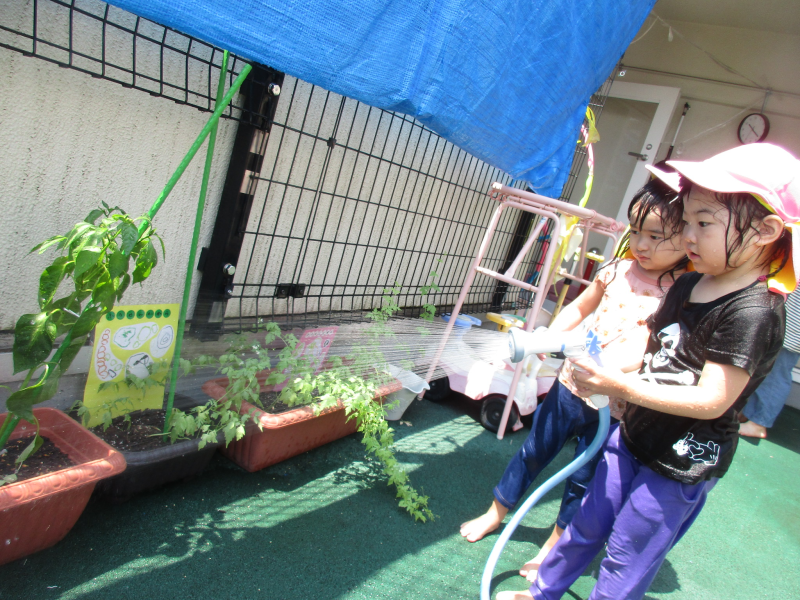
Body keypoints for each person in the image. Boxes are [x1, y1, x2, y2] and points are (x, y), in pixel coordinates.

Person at [498, 143, 800, 600]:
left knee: (625, 558)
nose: (688, 237)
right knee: (586, 525)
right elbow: (653, 344)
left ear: (766, 231)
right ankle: (542, 591)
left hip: (679, 462)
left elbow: (713, 399)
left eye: (703, 224)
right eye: (688, 222)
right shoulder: (691, 284)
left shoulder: (753, 312)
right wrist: (606, 369)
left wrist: (621, 386)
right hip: (633, 434)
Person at [461, 175, 689, 578]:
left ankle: (552, 545)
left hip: (615, 404)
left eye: (656, 236)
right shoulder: (616, 271)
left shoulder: (678, 294)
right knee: (534, 451)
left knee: (583, 478)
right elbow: (580, 309)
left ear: (685, 237)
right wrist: (554, 334)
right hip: (569, 385)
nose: (642, 245)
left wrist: (610, 373)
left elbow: (654, 347)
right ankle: (494, 512)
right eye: (636, 232)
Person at [739, 288, 800, 438]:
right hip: (787, 329)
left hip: (791, 333)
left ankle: (758, 423)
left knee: (775, 376)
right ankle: (749, 414)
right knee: (765, 370)